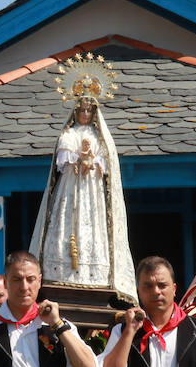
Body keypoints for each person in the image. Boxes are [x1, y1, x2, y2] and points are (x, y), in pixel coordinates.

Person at [29, 93, 136, 301]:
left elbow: (107, 165)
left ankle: (94, 273)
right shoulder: (69, 134)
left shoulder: (100, 137)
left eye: (89, 110)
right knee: (66, 220)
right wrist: (77, 159)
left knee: (93, 224)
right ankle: (60, 271)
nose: (85, 114)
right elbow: (62, 159)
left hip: (92, 189)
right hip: (71, 185)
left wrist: (92, 161)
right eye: (82, 110)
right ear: (76, 112)